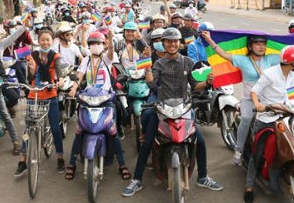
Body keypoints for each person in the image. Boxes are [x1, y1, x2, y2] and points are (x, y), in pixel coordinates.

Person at [122, 28, 223, 197]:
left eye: (175, 41)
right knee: (147, 143)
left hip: (184, 108)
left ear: (180, 43)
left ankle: (203, 177)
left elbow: (195, 85)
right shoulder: (159, 64)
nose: (172, 44)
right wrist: (146, 67)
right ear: (163, 44)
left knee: (200, 141)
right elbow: (152, 85)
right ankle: (137, 180)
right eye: (168, 41)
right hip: (162, 109)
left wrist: (206, 82)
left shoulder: (188, 62)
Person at [244, 45, 294, 203]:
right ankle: (249, 186)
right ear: (293, 62)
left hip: (287, 117)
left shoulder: (293, 76)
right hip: (267, 118)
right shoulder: (270, 74)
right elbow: (254, 92)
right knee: (258, 153)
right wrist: (257, 104)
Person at [201, 32, 280, 166]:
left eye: (263, 44)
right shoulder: (243, 60)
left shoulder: (271, 59)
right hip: (249, 100)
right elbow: (223, 54)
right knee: (246, 119)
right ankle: (239, 149)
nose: (261, 47)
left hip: (269, 99)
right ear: (250, 46)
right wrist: (209, 40)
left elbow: (289, 58)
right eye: (258, 44)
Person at [64, 31, 131, 181]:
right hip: (88, 100)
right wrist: (74, 89)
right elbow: (79, 76)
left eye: (98, 43)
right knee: (80, 130)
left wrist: (111, 39)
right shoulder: (86, 61)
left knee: (113, 131)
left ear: (103, 45)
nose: (95, 46)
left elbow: (111, 52)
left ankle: (121, 164)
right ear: (89, 46)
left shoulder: (107, 59)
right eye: (92, 43)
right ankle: (72, 163)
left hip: (106, 100)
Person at [14, 29, 66, 177]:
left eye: (48, 39)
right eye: (42, 39)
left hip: (50, 95)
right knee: (28, 128)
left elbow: (59, 71)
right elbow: (30, 76)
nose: (45, 42)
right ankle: (22, 161)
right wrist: (30, 68)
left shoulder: (55, 56)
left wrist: (60, 80)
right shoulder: (33, 56)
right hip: (34, 95)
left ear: (52, 40)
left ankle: (60, 157)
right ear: (38, 40)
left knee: (55, 128)